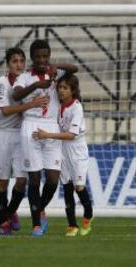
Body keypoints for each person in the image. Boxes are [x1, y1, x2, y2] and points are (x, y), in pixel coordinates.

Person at [13, 39, 78, 236]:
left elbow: (74, 69)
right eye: (38, 56)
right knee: (34, 177)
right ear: (32, 57)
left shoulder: (55, 74)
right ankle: (36, 225)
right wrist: (37, 85)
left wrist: (54, 67)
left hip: (51, 126)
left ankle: (39, 208)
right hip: (31, 125)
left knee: (52, 179)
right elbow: (16, 95)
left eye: (45, 56)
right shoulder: (24, 77)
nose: (42, 59)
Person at [0, 47, 49, 235]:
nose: (19, 64)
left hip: (22, 134)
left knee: (22, 180)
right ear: (8, 64)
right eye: (14, 61)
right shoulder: (2, 82)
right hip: (3, 133)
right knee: (2, 182)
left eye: (21, 61)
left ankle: (8, 214)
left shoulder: (27, 80)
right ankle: (4, 224)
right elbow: (6, 110)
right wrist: (31, 104)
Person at [32, 74, 93, 236]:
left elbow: (71, 135)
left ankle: (88, 216)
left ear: (73, 90)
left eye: (65, 88)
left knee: (79, 187)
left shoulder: (77, 108)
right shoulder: (59, 106)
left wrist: (48, 135)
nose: (61, 91)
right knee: (66, 188)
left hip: (77, 151)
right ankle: (72, 225)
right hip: (62, 150)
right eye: (59, 87)